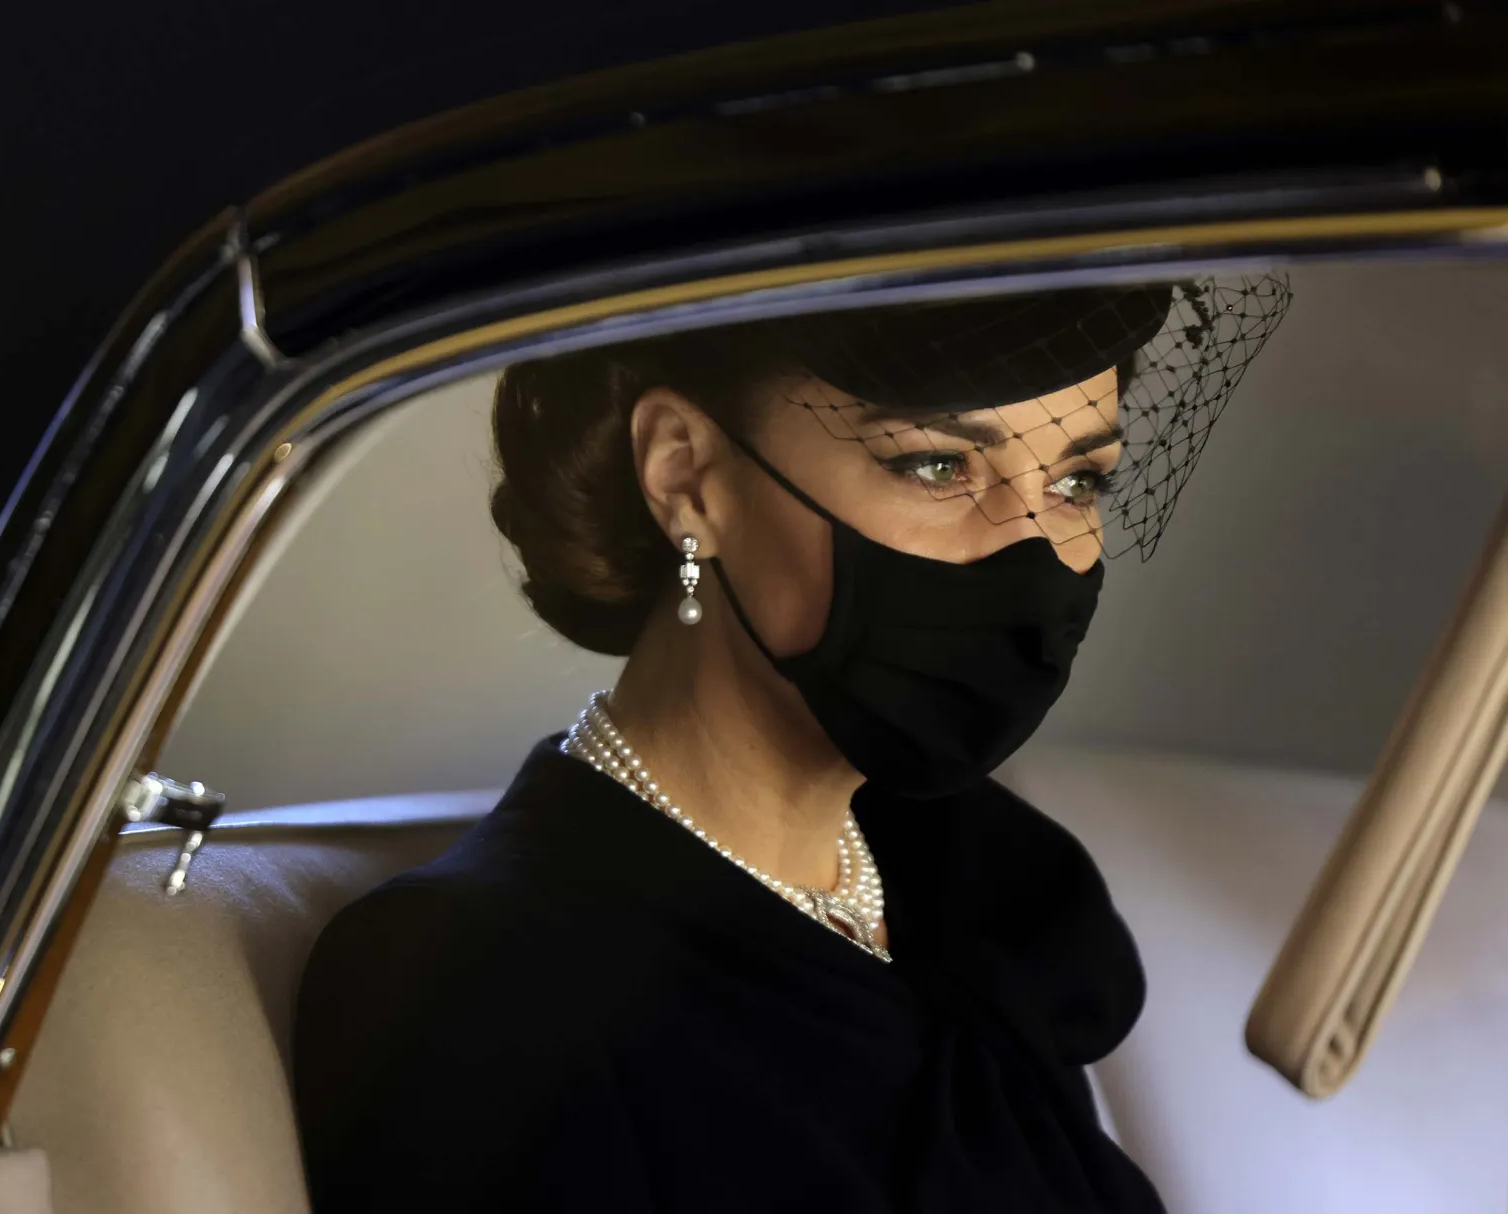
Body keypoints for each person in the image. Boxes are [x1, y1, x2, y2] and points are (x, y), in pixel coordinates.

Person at [292, 278, 1290, 1212]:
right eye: (937, 464)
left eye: (1077, 481)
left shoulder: (988, 898)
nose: (1030, 557)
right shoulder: (485, 993)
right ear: (687, 474)